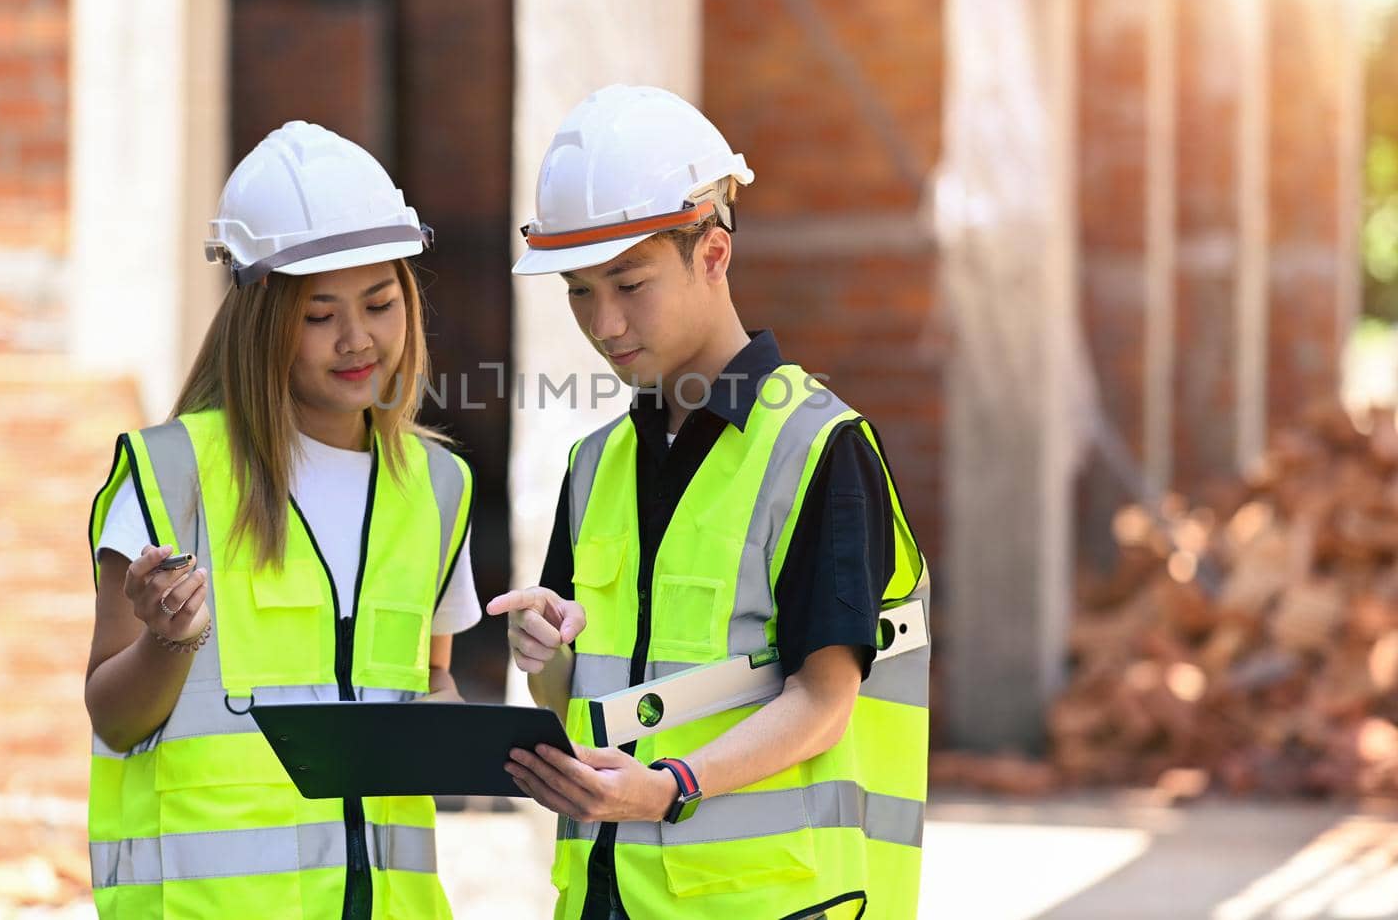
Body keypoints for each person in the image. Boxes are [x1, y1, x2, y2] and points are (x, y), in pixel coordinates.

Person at [488, 85, 930, 920]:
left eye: (629, 283)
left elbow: (825, 699)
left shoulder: (819, 449)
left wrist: (669, 788)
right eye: (579, 291)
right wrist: (540, 651)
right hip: (606, 899)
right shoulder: (595, 465)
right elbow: (581, 698)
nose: (604, 322)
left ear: (714, 254)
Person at [84, 121, 480, 919]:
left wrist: (500, 731)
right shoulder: (172, 478)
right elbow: (113, 719)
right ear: (261, 317)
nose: (358, 338)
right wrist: (169, 641)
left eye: (379, 302)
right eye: (319, 313)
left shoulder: (439, 485)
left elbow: (431, 686)